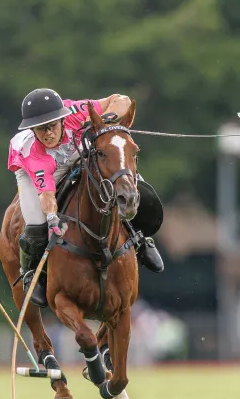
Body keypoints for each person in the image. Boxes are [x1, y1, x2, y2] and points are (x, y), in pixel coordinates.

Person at [8, 88, 164, 307]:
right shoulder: (35, 154)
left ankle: (141, 238)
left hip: (73, 151)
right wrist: (52, 218)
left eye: (51, 126)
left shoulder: (75, 111)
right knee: (36, 223)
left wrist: (108, 119)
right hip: (34, 169)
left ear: (63, 119)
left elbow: (121, 100)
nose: (47, 134)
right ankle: (32, 273)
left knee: (121, 171)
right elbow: (47, 194)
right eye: (40, 129)